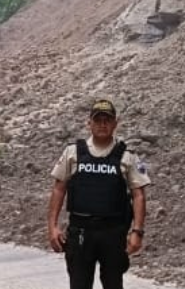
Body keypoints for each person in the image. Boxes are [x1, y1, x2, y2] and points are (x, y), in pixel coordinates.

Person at [47, 99, 151, 289]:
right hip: (80, 232)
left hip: (112, 233)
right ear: (89, 123)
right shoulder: (73, 153)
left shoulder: (128, 156)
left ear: (115, 123)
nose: (102, 124)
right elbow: (58, 189)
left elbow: (139, 195)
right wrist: (52, 226)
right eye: (98, 120)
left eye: (107, 120)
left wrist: (137, 231)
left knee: (113, 284)